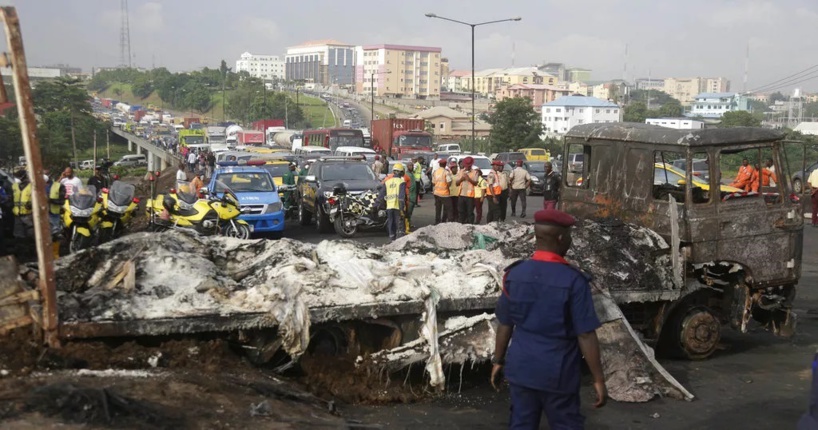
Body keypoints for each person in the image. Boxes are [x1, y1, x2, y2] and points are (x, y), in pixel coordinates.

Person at [492, 209, 607, 429]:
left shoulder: (515, 275)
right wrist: (598, 379)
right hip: (558, 372)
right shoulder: (574, 281)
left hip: (521, 369)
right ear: (562, 238)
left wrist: (498, 361)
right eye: (570, 236)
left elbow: (505, 323)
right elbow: (585, 333)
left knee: (521, 423)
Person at [382, 163, 407, 241]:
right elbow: (401, 197)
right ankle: (398, 241)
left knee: (391, 223)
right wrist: (402, 209)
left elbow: (381, 195)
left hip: (389, 206)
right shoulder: (401, 182)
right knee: (399, 224)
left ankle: (391, 239)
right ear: (401, 172)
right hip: (397, 207)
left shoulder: (387, 182)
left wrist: (377, 205)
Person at [455, 156, 479, 224]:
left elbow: (475, 183)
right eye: (466, 165)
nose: (467, 167)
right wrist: (461, 179)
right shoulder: (461, 171)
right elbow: (456, 183)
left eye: (468, 166)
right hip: (461, 195)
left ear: (471, 165)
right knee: (461, 211)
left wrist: (469, 179)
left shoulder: (475, 172)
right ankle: (461, 225)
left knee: (470, 212)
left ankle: (470, 225)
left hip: (470, 196)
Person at [11, 168, 33, 239]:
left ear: (23, 176)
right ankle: (20, 248)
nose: (16, 178)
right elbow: (12, 197)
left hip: (28, 214)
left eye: (18, 176)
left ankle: (30, 248)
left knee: (30, 234)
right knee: (18, 235)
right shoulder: (14, 186)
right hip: (17, 214)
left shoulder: (32, 186)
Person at [432, 158, 452, 224]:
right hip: (445, 193)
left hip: (436, 193)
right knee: (448, 208)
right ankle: (447, 221)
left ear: (439, 164)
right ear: (445, 164)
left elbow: (433, 183)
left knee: (438, 208)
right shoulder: (446, 172)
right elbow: (449, 182)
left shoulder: (435, 172)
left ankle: (437, 222)